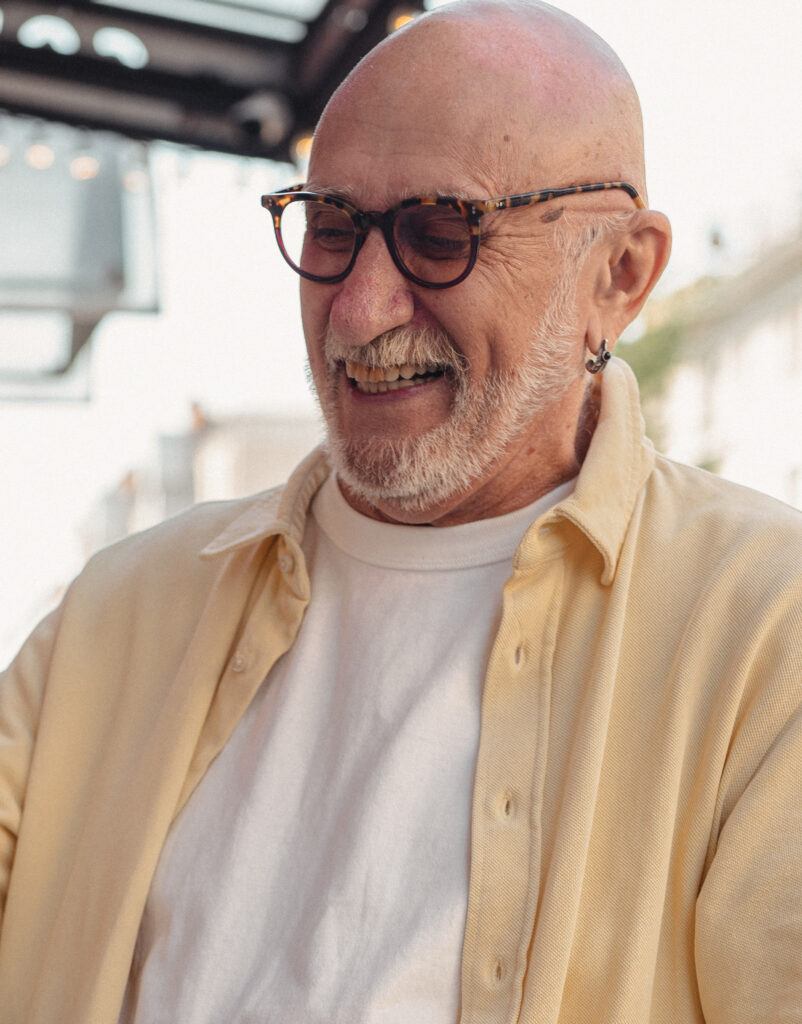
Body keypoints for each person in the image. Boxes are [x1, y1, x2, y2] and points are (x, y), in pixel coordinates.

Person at [1, 1, 800, 1021]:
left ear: (619, 275)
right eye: (332, 227)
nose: (358, 306)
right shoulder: (118, 612)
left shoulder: (767, 628)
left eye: (439, 233)